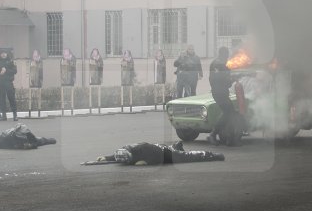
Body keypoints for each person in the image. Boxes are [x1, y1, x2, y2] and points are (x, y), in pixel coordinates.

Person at [87, 141, 224, 166]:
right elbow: (118, 157)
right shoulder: (126, 149)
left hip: (163, 154)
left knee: (188, 157)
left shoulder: (146, 150)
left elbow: (157, 158)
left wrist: (147, 162)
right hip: (158, 147)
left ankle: (211, 155)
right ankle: (176, 146)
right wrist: (106, 157)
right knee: (173, 148)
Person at [207, 46, 236, 146]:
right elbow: (220, 79)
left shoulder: (217, 63)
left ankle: (230, 139)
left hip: (220, 91)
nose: (228, 57)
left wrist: (230, 80)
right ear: (224, 54)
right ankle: (213, 134)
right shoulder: (219, 64)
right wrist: (232, 79)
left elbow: (215, 79)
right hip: (220, 92)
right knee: (229, 112)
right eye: (227, 55)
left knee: (230, 112)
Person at [0, 50, 18, 121]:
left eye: (5, 53)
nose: (3, 54)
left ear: (7, 54)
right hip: (1, 83)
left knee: (12, 99)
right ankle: (4, 116)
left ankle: (15, 115)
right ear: (0, 54)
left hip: (8, 83)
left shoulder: (11, 61)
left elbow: (15, 71)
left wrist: (6, 70)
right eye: (2, 53)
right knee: (2, 100)